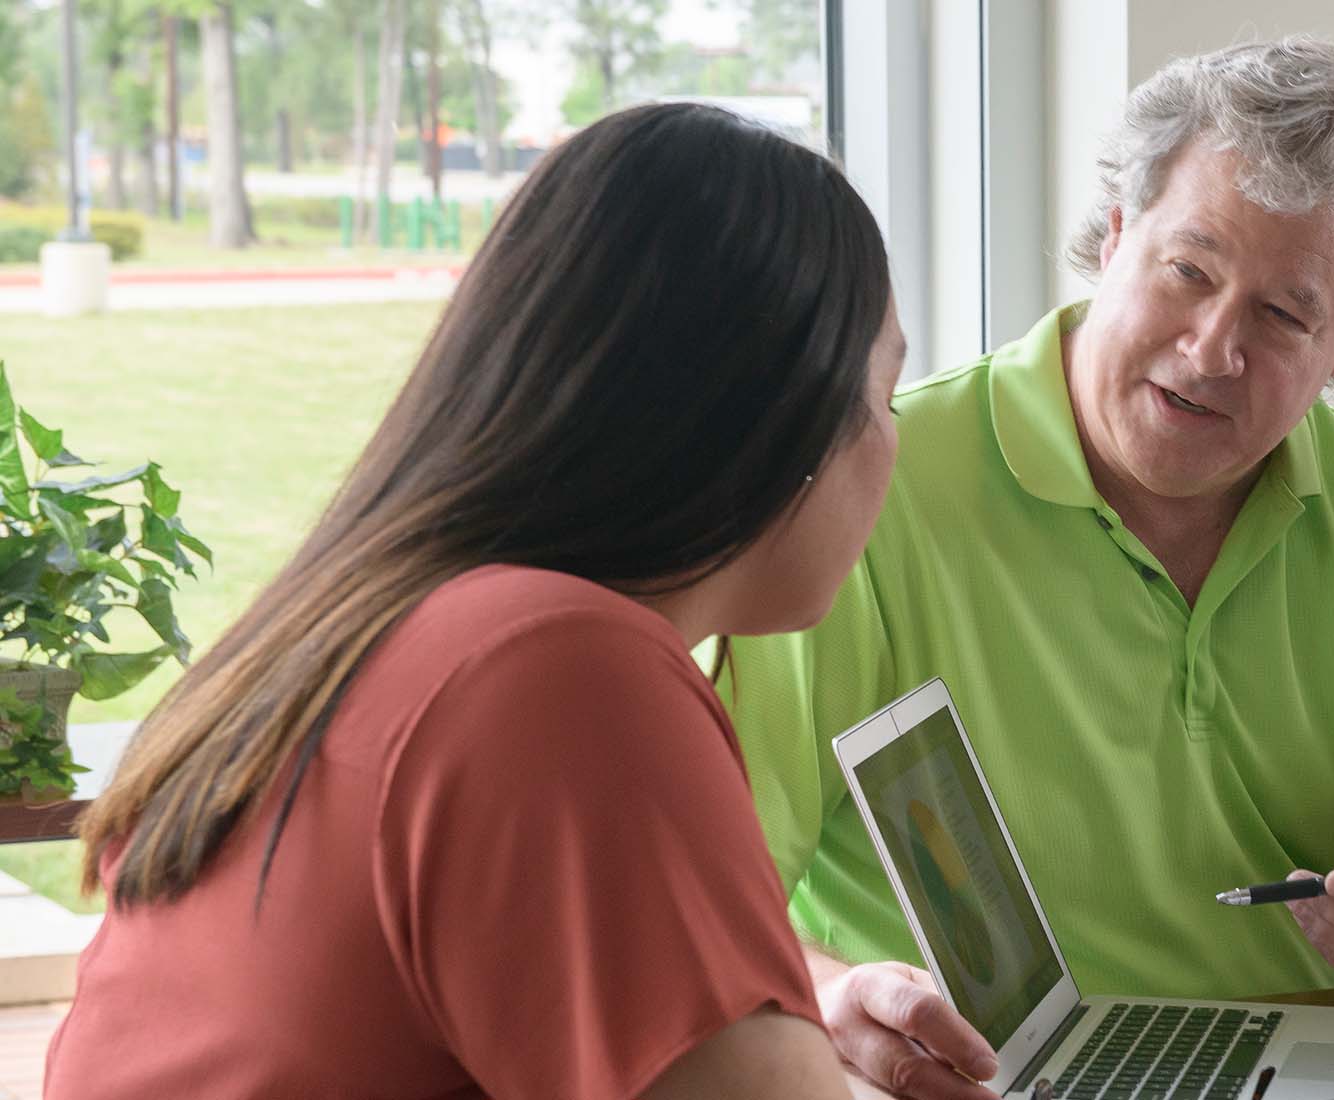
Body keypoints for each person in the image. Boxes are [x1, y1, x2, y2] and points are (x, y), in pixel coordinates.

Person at [720, 36, 1334, 1099]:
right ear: (1116, 233)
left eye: (1283, 314)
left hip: (1301, 1076)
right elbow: (708, 914)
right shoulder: (877, 478)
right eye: (1190, 269)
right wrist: (836, 997)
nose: (1213, 346)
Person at [47, 102, 903, 1098]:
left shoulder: (367, 617)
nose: (895, 439)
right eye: (888, 390)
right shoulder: (561, 672)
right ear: (782, 417)